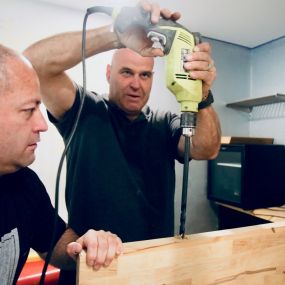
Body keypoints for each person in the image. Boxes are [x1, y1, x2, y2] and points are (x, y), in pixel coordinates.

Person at [24, 1, 221, 283]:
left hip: (151, 270)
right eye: (126, 72)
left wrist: (203, 96)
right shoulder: (84, 110)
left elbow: (206, 147)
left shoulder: (165, 123)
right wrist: (119, 33)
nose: (136, 84)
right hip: (90, 269)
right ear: (108, 73)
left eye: (145, 75)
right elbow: (33, 64)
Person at [0, 44, 123, 285]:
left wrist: (83, 245)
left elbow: (54, 244)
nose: (43, 124)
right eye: (28, 109)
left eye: (39, 107)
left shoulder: (25, 183)